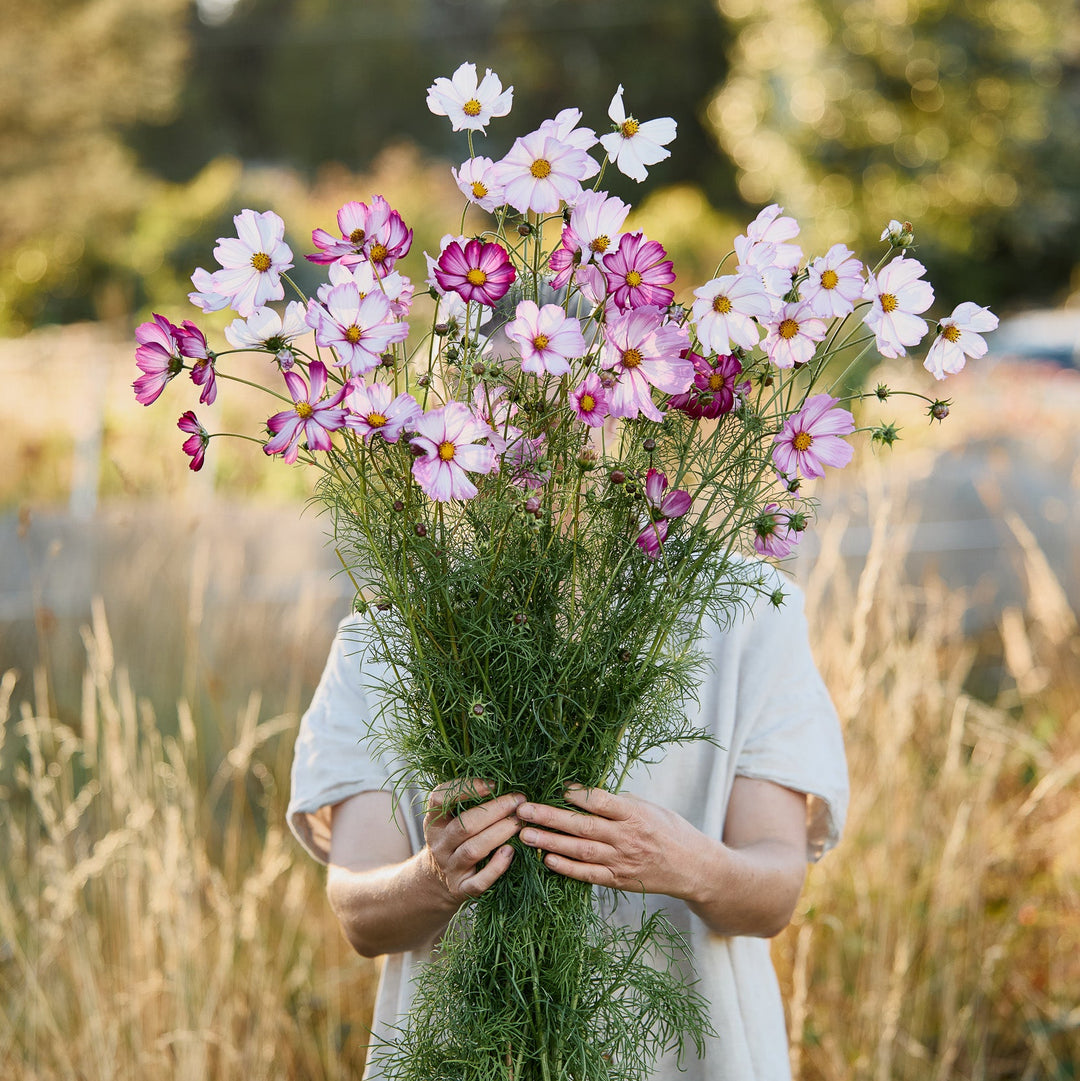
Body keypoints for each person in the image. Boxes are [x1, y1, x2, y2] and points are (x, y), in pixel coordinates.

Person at [287, 568, 848, 1081]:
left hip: (687, 1060)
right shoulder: (384, 632)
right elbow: (358, 914)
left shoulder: (748, 609)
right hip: (468, 1057)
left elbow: (776, 893)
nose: (538, 452)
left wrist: (687, 863)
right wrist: (435, 877)